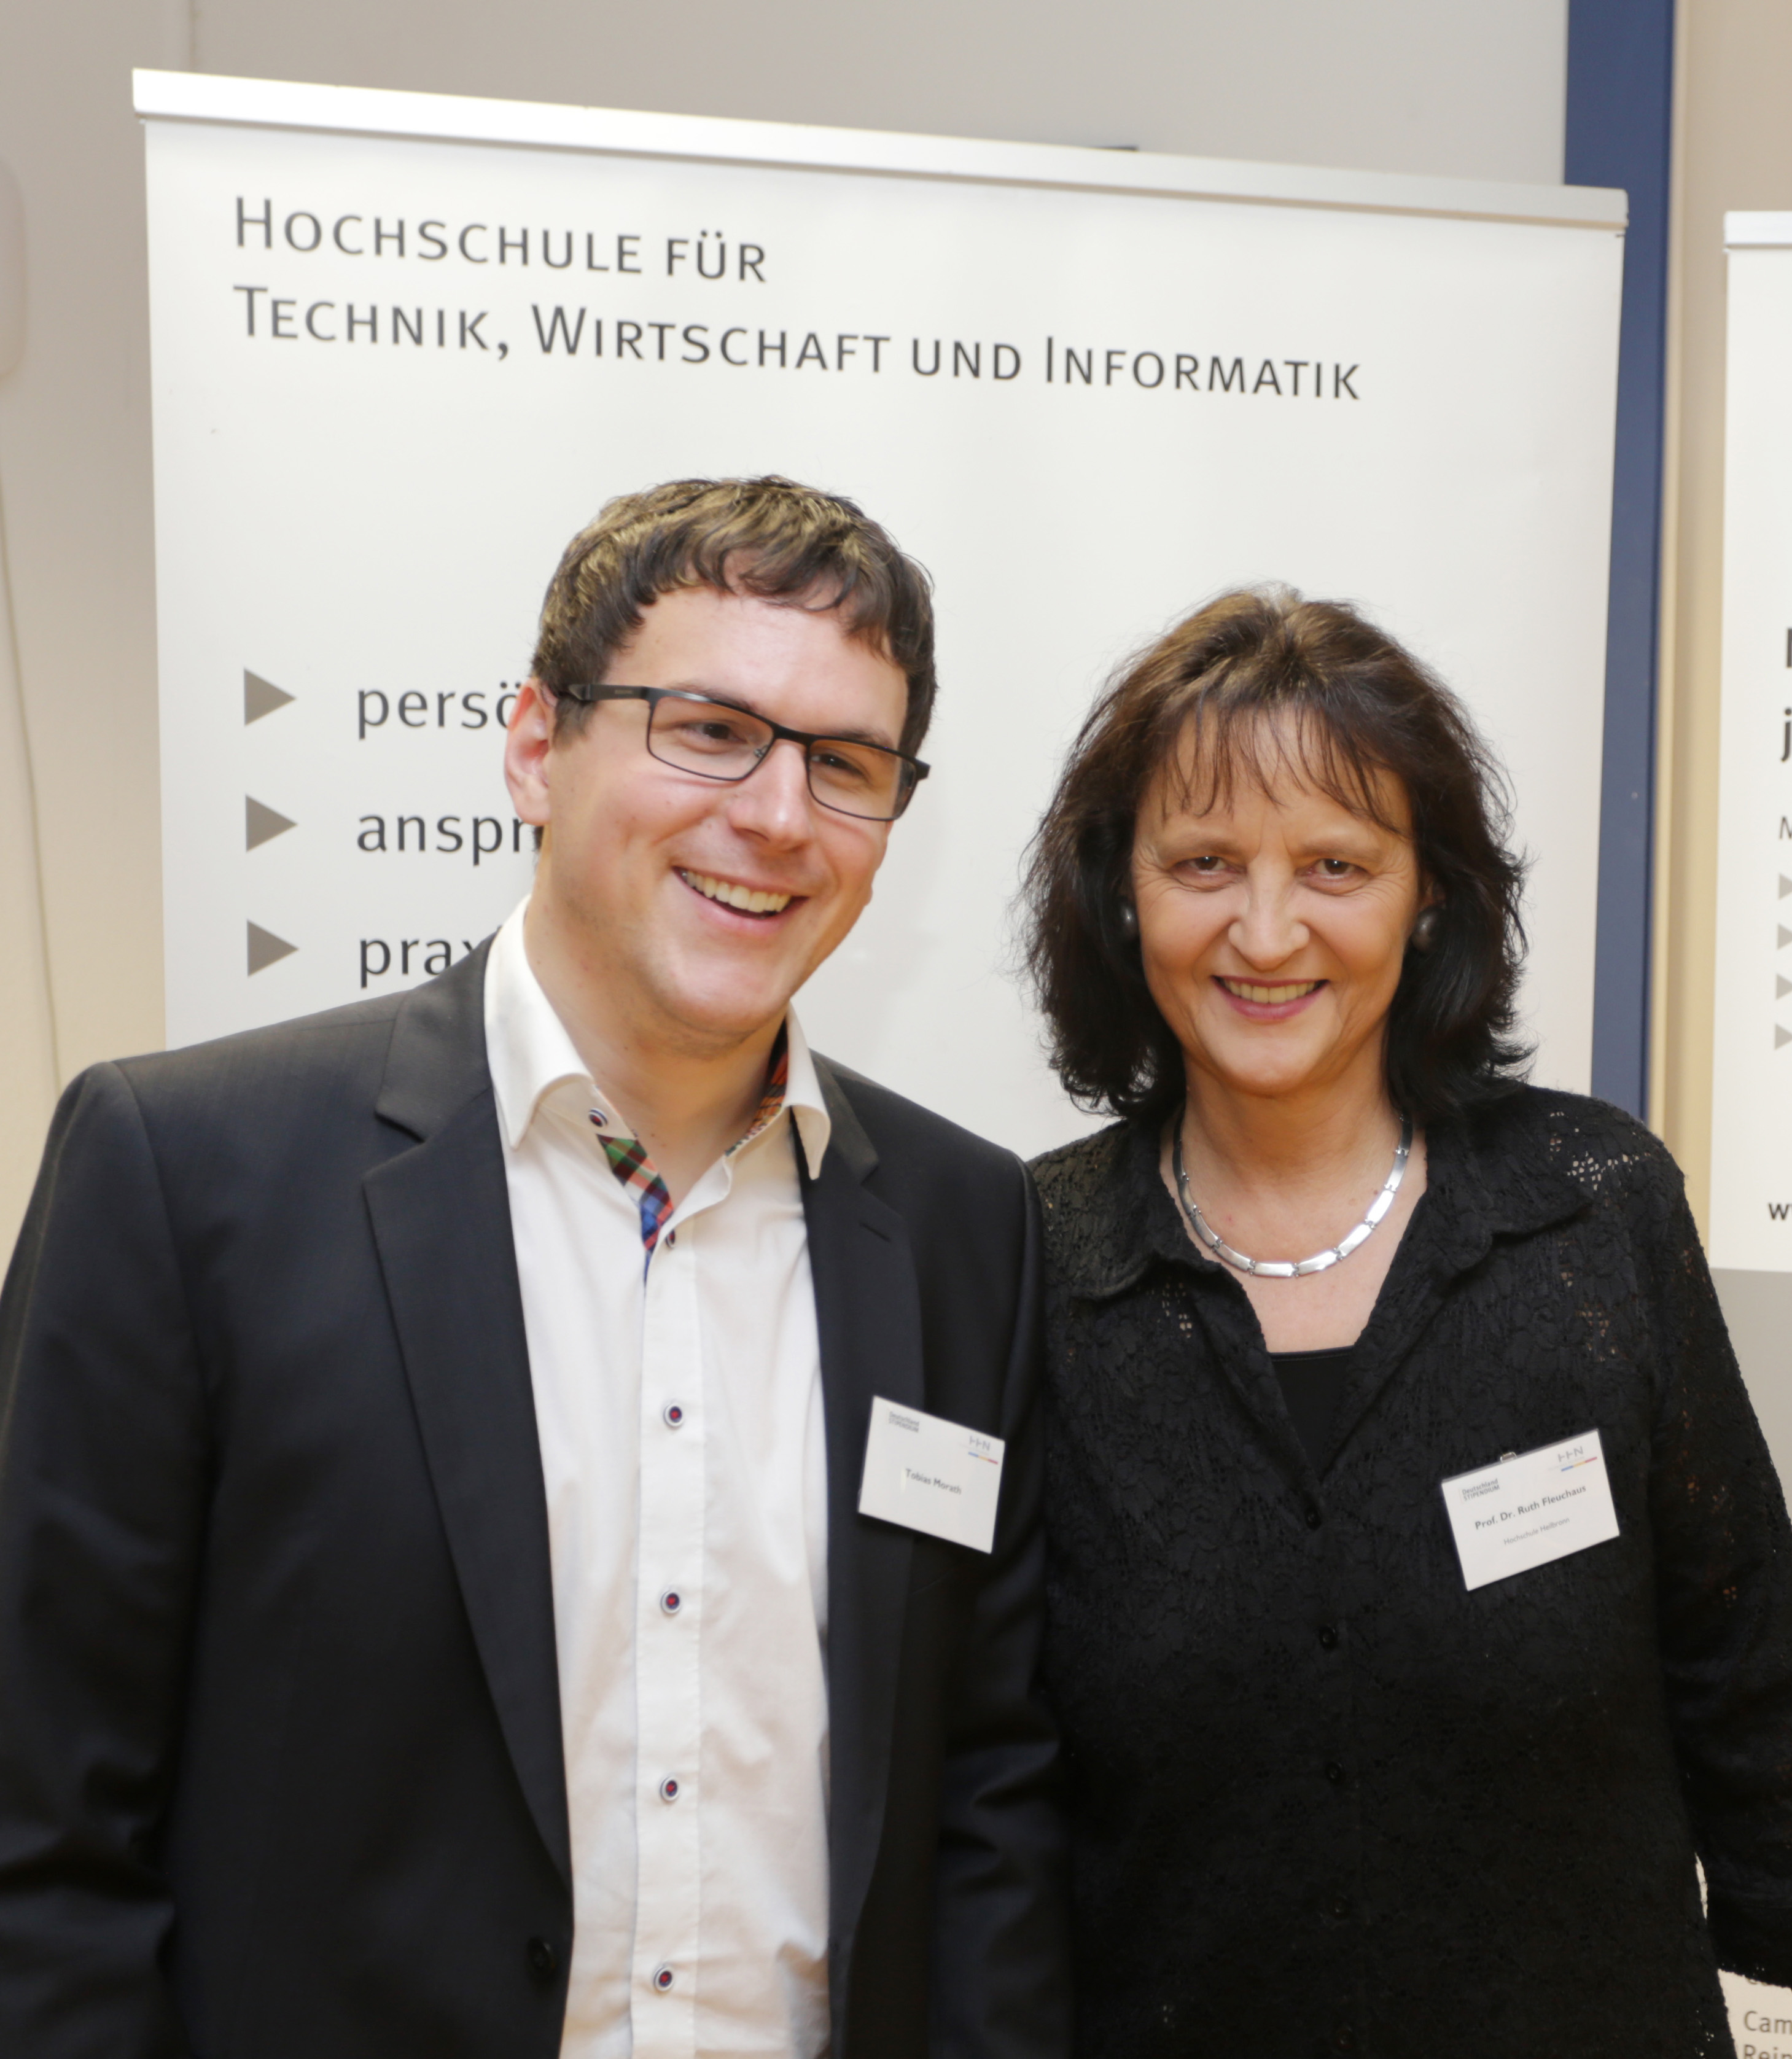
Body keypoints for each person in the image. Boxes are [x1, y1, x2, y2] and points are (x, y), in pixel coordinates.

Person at [0, 477, 1065, 2059]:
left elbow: (986, 1791)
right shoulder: (186, 1176)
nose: (779, 816)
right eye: (710, 730)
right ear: (532, 747)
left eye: (845, 765)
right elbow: (42, 1832)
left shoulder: (968, 1229)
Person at [1019, 587, 1792, 2058]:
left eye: (1334, 865)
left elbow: (1752, 1681)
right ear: (1123, 893)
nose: (1265, 930)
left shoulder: (1590, 1212)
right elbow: (980, 1799)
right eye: (1202, 862)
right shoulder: (1028, 1268)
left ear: (1427, 893)